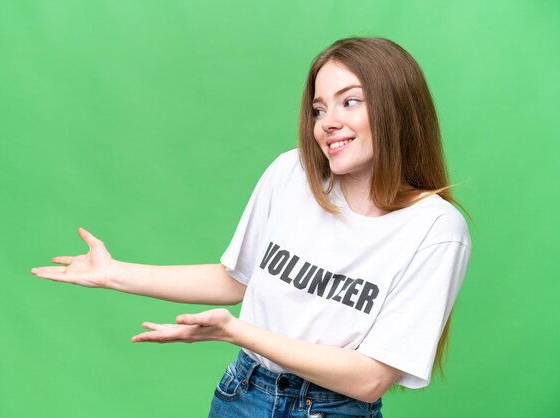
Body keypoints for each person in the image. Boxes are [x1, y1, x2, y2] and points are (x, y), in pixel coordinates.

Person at [30, 37, 471, 418]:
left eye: (349, 101)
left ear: (396, 107)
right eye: (319, 108)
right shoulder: (292, 173)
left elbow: (371, 378)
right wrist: (114, 274)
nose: (327, 122)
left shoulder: (436, 229)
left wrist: (235, 331)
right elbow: (235, 279)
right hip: (242, 394)